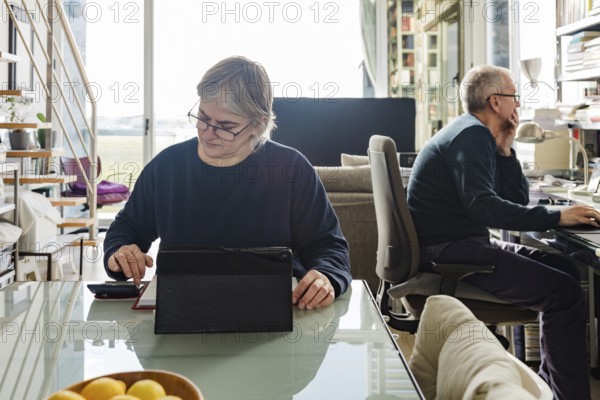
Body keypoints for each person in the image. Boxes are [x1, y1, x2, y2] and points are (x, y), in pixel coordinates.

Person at [407, 64, 598, 399]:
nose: (518, 105)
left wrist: (507, 147)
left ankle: (547, 387)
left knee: (565, 270)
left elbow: (516, 199)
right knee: (565, 293)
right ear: (495, 102)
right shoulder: (471, 136)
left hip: (459, 244)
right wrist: (558, 217)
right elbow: (485, 208)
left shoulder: (477, 134)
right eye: (514, 97)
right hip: (450, 251)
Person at [103, 56, 352, 310]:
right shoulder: (166, 167)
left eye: (225, 126)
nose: (207, 132)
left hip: (275, 316)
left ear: (258, 125)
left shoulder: (291, 170)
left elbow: (329, 247)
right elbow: (127, 228)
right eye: (203, 117)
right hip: (181, 314)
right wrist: (120, 252)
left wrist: (326, 276)